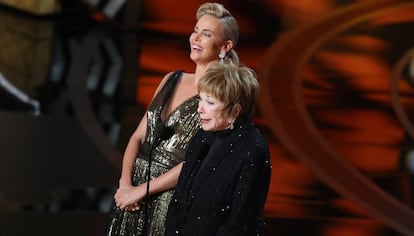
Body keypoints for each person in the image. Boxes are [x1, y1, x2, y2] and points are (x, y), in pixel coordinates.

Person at [106, 2, 241, 236]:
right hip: (132, 194)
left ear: (225, 46)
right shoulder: (171, 78)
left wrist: (142, 191)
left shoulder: (222, 95)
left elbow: (199, 161)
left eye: (206, 34)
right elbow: (138, 136)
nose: (196, 38)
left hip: (170, 200)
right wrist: (125, 185)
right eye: (196, 30)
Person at [165, 62, 272, 236]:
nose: (199, 109)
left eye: (210, 102)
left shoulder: (253, 150)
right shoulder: (204, 135)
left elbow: (240, 222)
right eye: (201, 99)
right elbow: (180, 198)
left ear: (236, 110)